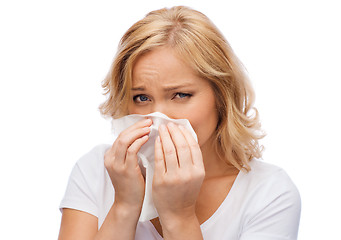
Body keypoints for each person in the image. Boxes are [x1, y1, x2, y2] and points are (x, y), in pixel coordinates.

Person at [58, 6, 301, 240]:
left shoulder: (269, 192)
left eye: (181, 95)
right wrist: (124, 205)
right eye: (142, 98)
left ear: (222, 96)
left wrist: (179, 216)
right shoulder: (96, 171)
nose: (158, 118)